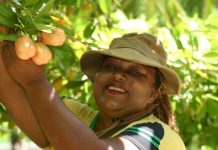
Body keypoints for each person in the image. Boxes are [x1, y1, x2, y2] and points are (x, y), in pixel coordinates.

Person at [0, 32, 186, 150]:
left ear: (155, 92)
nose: (118, 76)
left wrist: (36, 82)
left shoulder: (156, 135)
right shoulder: (75, 116)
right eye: (111, 67)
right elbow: (9, 90)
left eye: (135, 72)